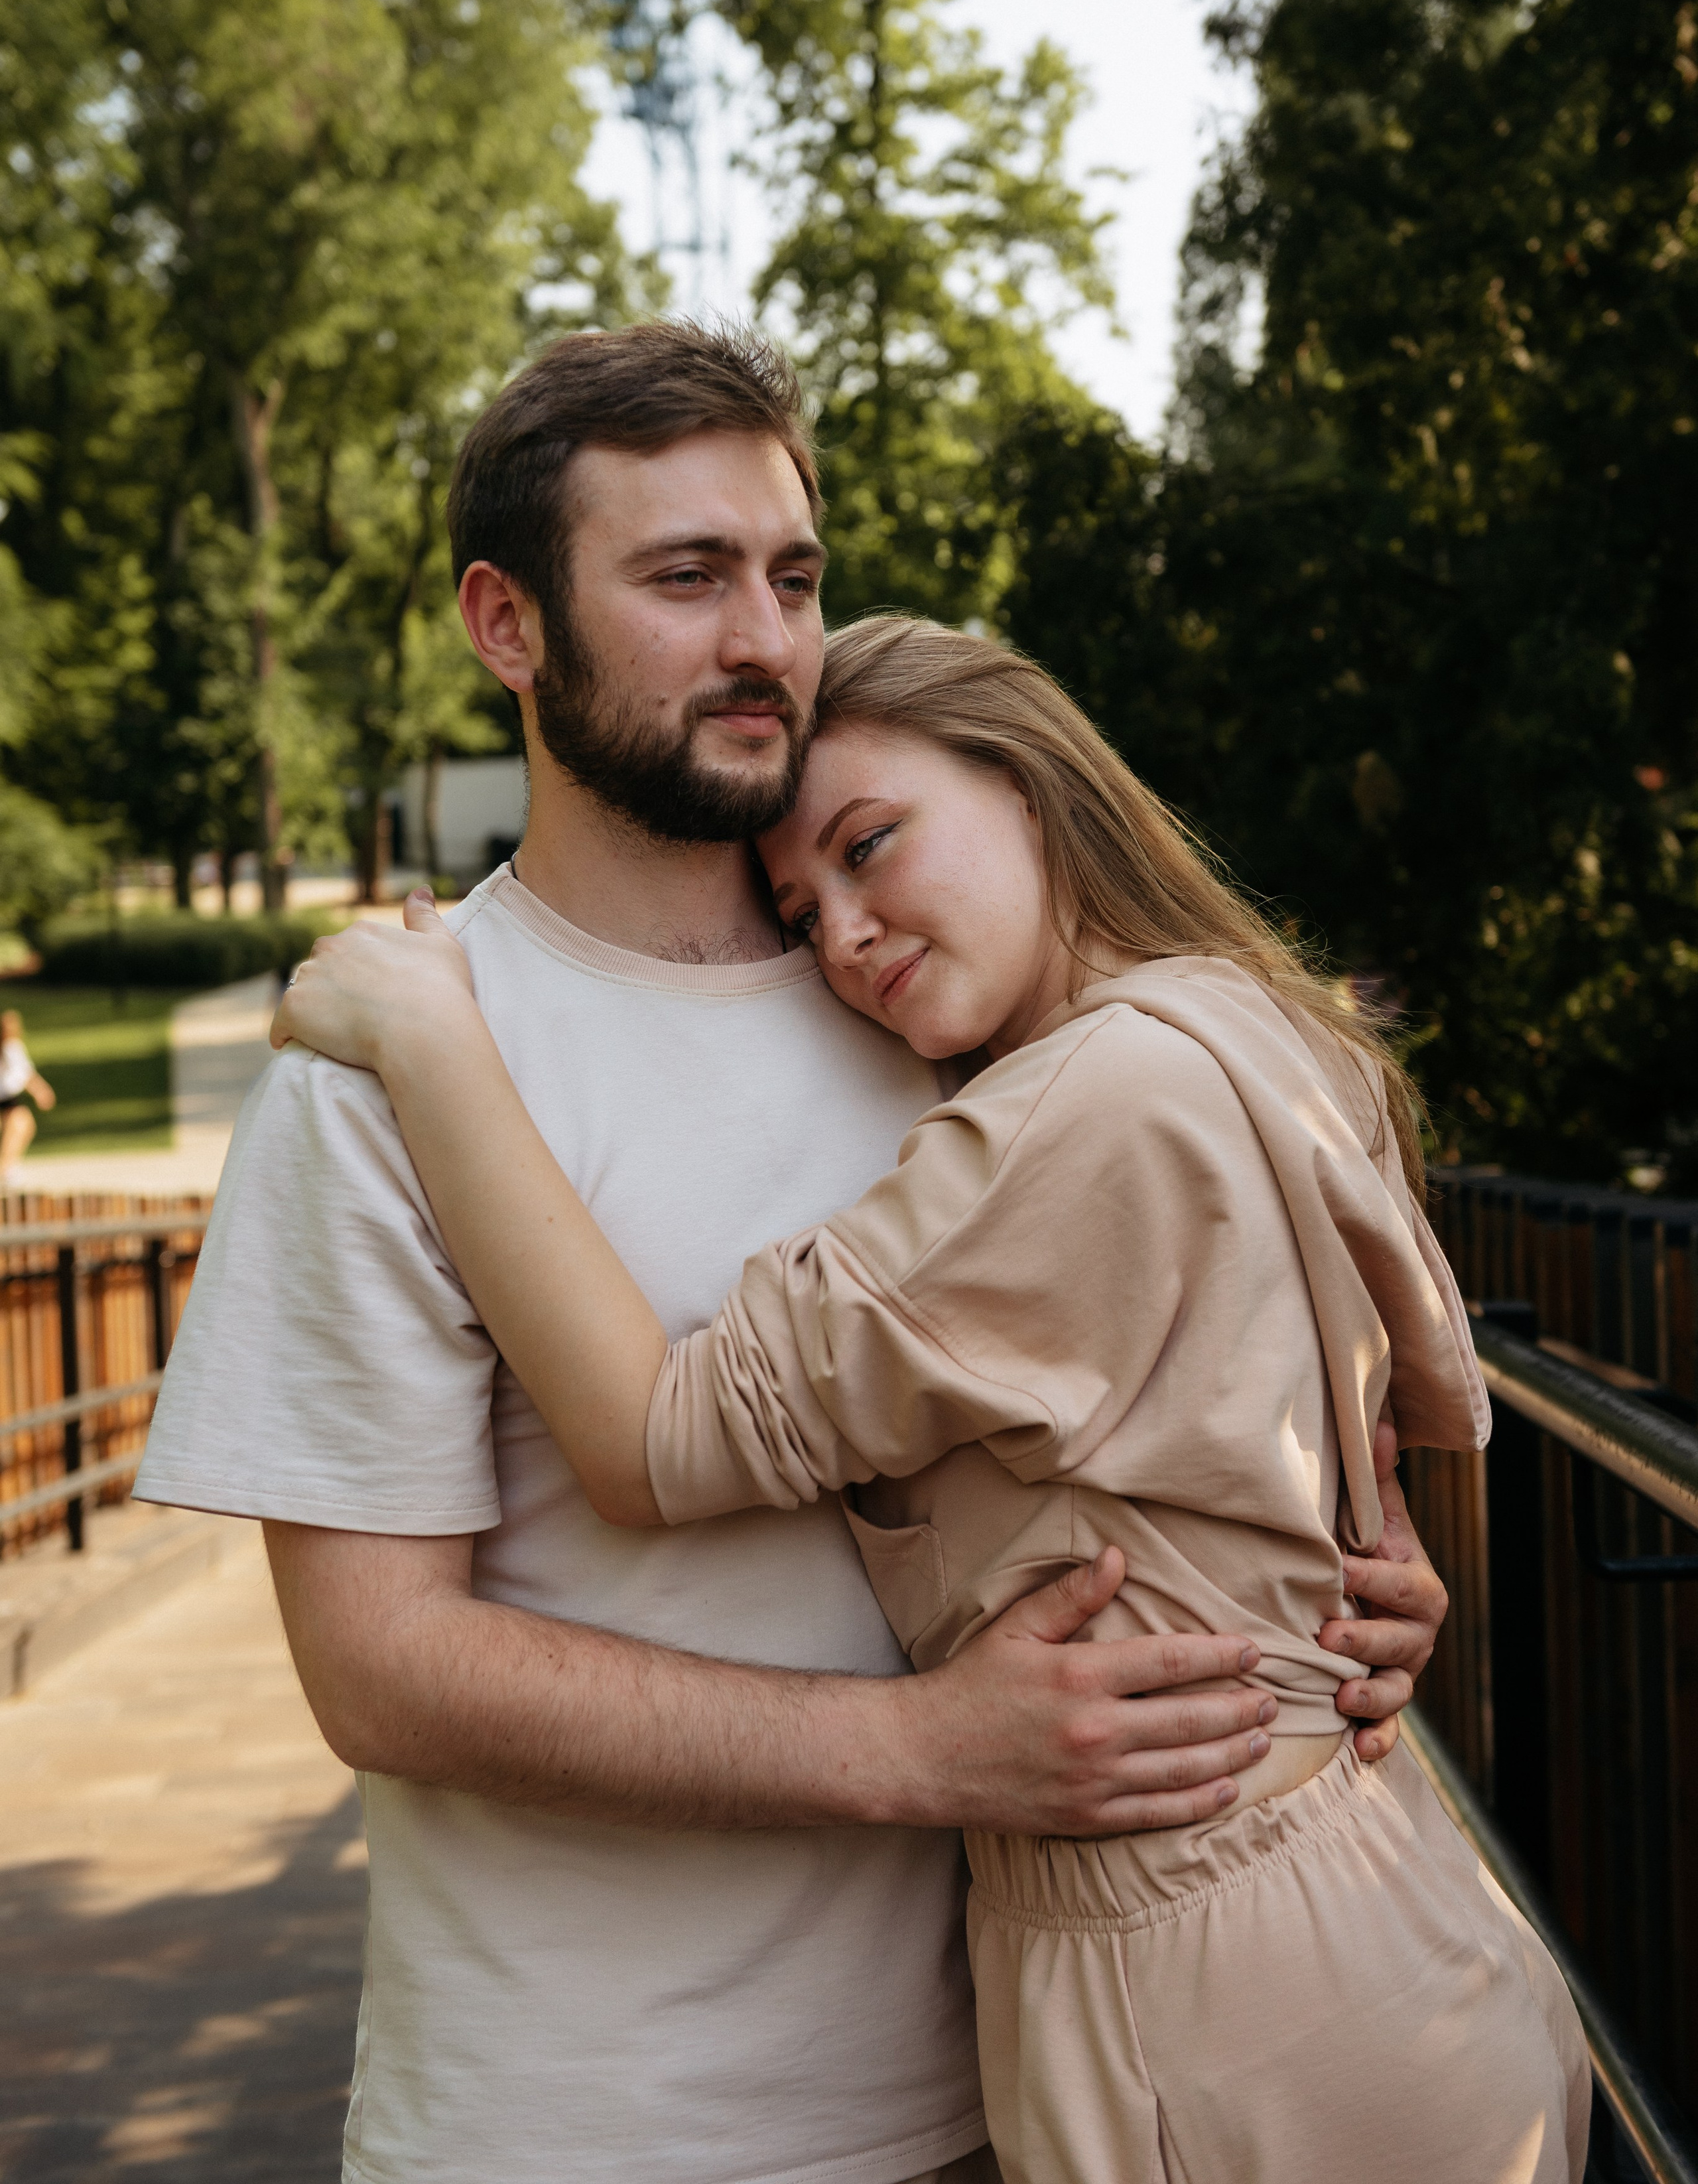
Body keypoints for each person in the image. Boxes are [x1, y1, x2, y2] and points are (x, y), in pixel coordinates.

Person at [137, 324, 1449, 2184]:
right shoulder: (391, 1054)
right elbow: (383, 1669)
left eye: (794, 574)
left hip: (1032, 2085)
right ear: (507, 625)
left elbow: (1172, 1404)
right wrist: (926, 1750)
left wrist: (1343, 1596)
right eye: (684, 575)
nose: (765, 635)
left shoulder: (940, 1004)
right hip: (589, 2129)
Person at [273, 610, 1591, 2184]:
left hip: (1210, 1998)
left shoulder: (1068, 1112)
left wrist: (433, 1037)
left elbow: (653, 1435)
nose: (839, 931)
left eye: (870, 843)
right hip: (1375, 1913)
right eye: (799, 902)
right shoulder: (1246, 1026)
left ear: (1028, 783)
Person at [0, 1007, 56, 1185]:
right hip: (5, 1099)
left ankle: (8, 1166)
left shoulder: (11, 1048)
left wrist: (42, 1090)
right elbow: (25, 1075)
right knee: (19, 1126)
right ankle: (5, 1168)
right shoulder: (10, 1048)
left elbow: (25, 1073)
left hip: (9, 1100)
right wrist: (41, 1091)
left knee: (22, 1126)